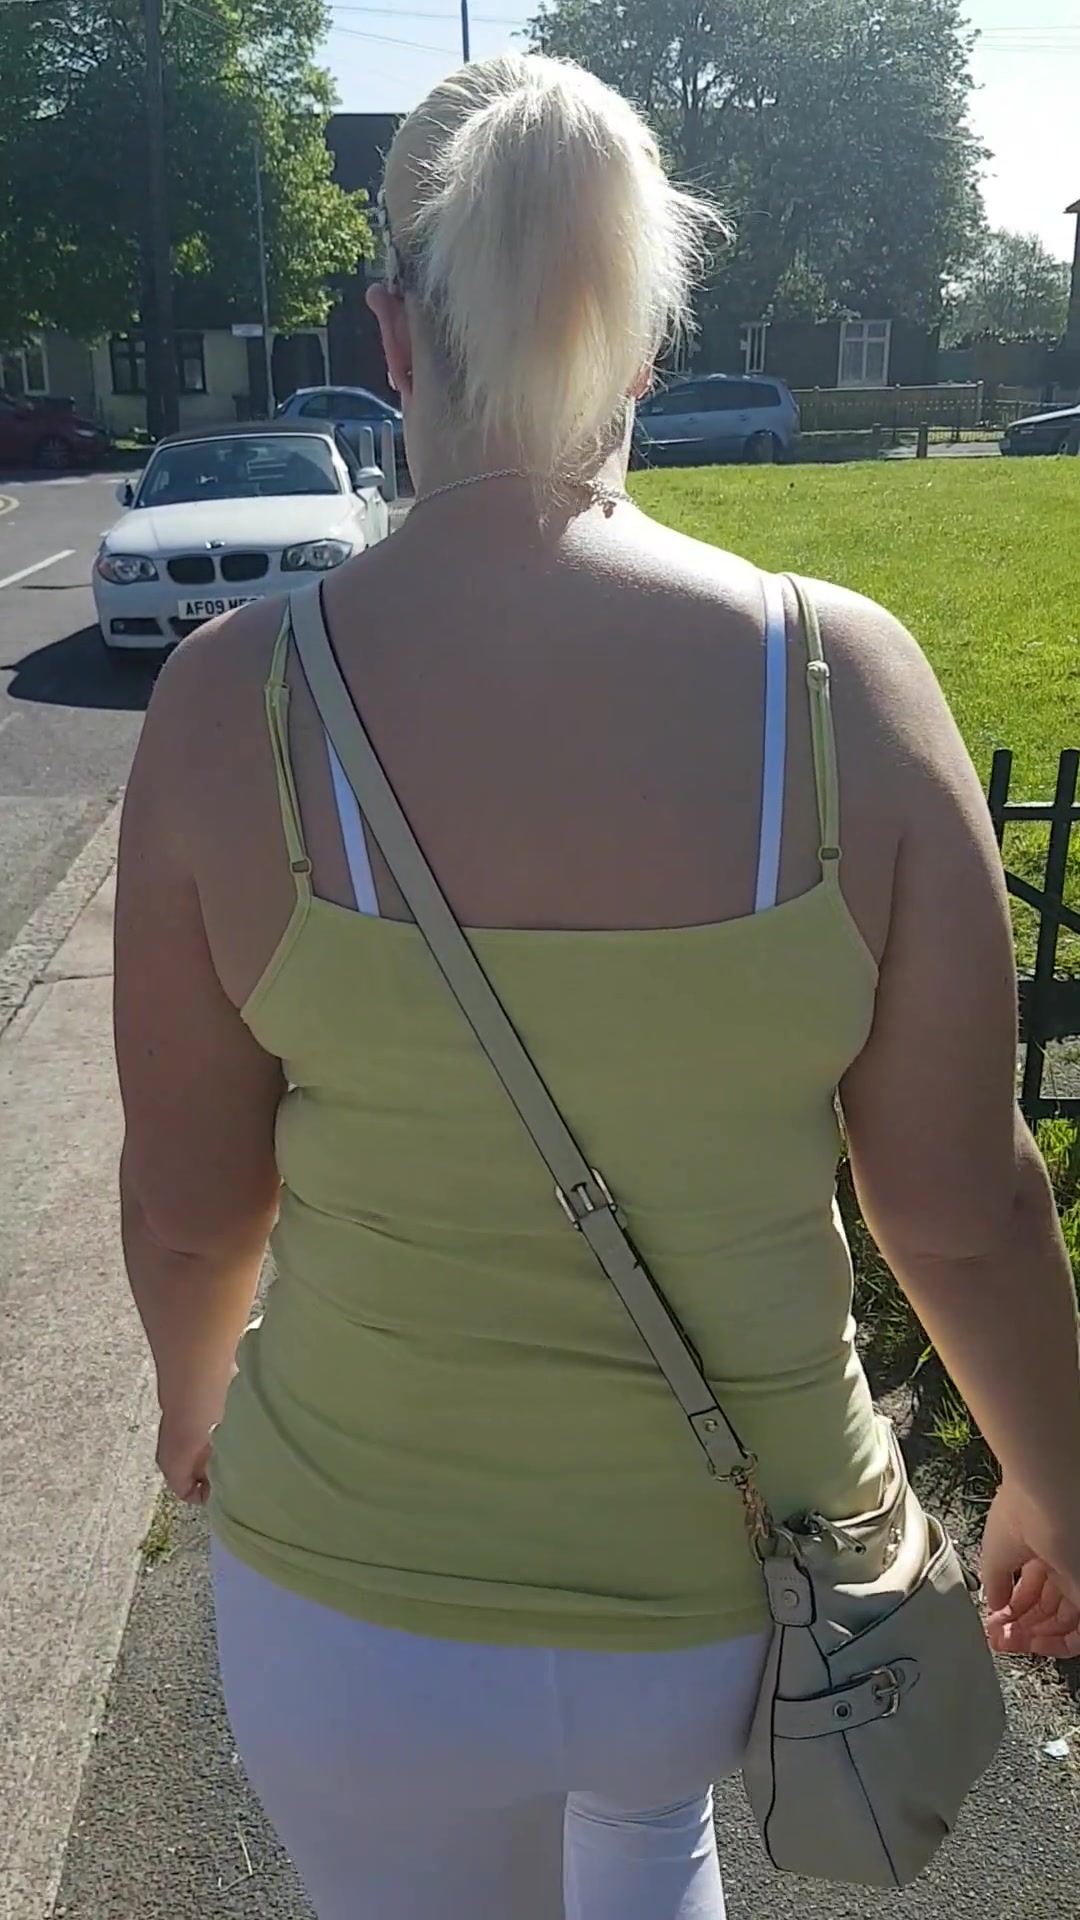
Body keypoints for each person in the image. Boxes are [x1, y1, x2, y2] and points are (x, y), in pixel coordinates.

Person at [114, 51, 1080, 1920]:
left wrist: (186, 1396)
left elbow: (189, 1200)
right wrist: (1050, 1474)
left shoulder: (235, 705)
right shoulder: (844, 689)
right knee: (650, 1834)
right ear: (639, 344)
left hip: (362, 1589)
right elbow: (963, 1204)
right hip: (740, 1582)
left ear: (398, 333)